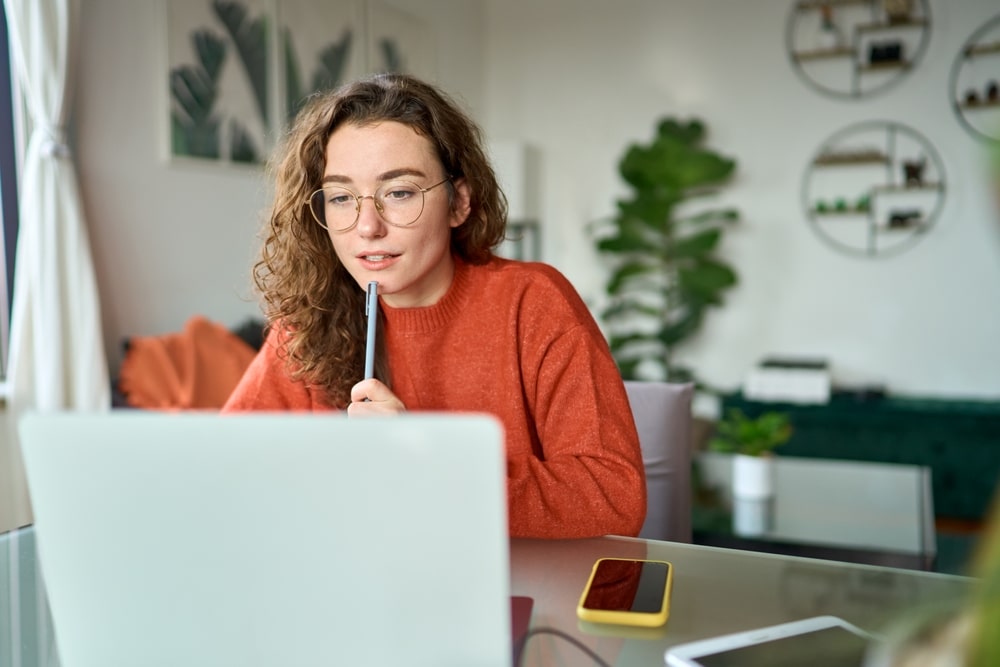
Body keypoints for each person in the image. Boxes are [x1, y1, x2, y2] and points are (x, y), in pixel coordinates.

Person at [223, 72, 646, 539]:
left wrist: (430, 465)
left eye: (399, 192)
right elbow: (224, 469)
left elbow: (612, 494)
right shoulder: (308, 321)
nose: (367, 227)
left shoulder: (533, 302)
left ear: (458, 202)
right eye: (342, 197)